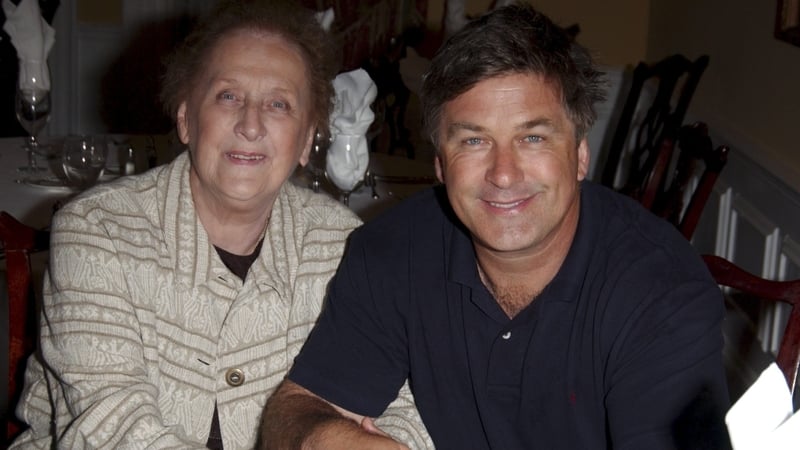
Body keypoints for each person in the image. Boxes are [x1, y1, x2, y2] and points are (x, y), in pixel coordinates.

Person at [261, 4, 731, 449]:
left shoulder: (662, 295)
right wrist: (323, 438)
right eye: (473, 140)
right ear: (441, 164)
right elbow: (297, 408)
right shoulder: (393, 250)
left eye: (532, 137)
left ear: (580, 154)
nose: (503, 174)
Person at [9, 1, 430, 448]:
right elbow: (111, 431)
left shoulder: (344, 246)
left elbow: (406, 404)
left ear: (307, 140)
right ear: (187, 118)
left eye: (279, 104)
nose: (250, 125)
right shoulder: (98, 232)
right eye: (228, 96)